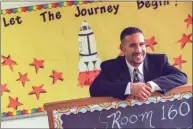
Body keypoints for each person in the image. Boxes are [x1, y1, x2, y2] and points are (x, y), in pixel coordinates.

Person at [89, 27, 187, 100]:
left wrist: (150, 86)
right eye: (132, 45)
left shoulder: (159, 61)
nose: (139, 50)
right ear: (122, 48)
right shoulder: (111, 67)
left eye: (141, 44)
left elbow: (181, 77)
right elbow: (95, 89)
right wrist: (130, 88)